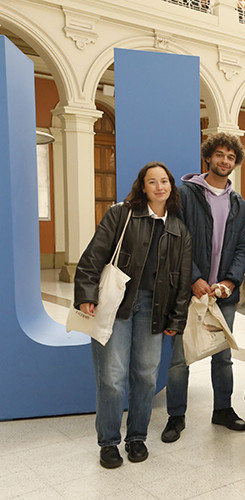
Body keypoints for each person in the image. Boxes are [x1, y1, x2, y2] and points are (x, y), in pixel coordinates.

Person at [74, 162, 192, 468]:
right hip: (117, 305)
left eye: (164, 181)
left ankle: (137, 437)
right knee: (112, 377)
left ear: (171, 187)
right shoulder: (120, 214)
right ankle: (109, 441)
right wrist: (86, 295)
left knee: (145, 376)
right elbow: (93, 256)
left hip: (154, 310)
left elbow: (182, 281)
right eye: (151, 182)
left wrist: (177, 319)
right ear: (142, 186)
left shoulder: (179, 229)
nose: (159, 187)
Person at [161, 133, 245, 443]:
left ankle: (223, 409)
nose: (224, 161)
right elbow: (176, 239)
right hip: (188, 291)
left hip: (222, 296)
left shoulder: (240, 204)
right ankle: (175, 416)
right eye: (219, 155)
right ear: (208, 157)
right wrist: (194, 278)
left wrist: (229, 281)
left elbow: (241, 247)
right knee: (178, 359)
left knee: (223, 357)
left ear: (234, 162)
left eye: (230, 157)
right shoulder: (185, 195)